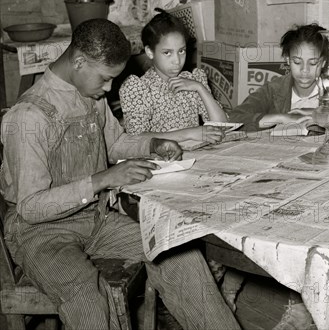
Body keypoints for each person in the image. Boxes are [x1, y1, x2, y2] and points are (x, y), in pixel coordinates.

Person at [0, 19, 241, 330]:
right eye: (105, 79)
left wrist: (154, 143)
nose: (109, 89)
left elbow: (114, 143)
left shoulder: (91, 95)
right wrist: (105, 179)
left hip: (95, 219)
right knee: (87, 297)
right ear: (79, 62)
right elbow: (31, 208)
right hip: (40, 233)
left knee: (178, 252)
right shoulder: (29, 116)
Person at [119, 10, 226, 148]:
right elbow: (136, 138)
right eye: (167, 53)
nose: (177, 61)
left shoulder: (192, 80)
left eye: (181, 51)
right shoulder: (139, 88)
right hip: (161, 162)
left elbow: (221, 126)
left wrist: (200, 88)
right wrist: (189, 133)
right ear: (150, 52)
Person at [229, 24, 328, 131]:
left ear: (323, 63)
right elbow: (234, 118)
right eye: (297, 62)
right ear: (287, 60)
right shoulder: (274, 89)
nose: (304, 70)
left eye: (313, 63)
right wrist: (280, 118)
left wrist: (319, 115)